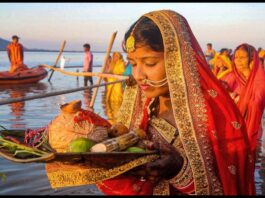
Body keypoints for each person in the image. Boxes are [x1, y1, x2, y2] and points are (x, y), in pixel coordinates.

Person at [96, 10, 255, 195]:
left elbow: (229, 186)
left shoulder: (211, 114)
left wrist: (179, 170)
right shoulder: (142, 104)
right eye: (133, 63)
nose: (138, 75)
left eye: (149, 63)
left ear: (177, 59)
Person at [221, 44, 265, 154]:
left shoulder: (259, 79)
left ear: (252, 59)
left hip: (253, 131)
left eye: (242, 57)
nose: (238, 61)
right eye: (236, 57)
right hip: (232, 130)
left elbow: (258, 103)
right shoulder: (228, 77)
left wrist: (238, 98)